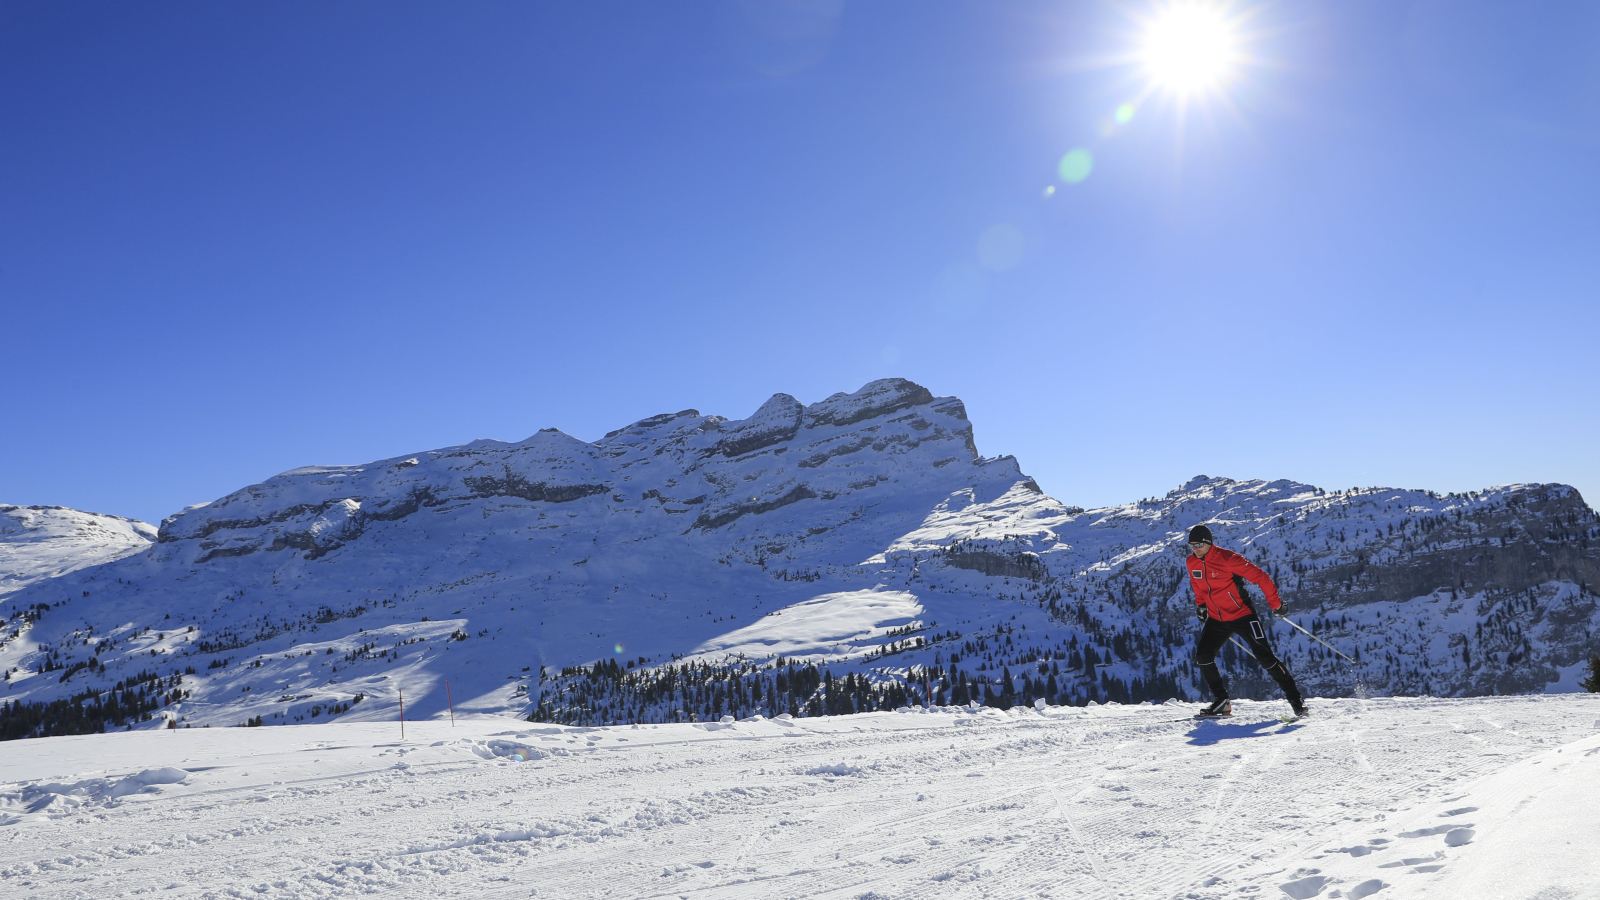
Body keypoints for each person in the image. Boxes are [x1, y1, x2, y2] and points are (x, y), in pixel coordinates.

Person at [1185, 524, 1307, 718]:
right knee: (1203, 656)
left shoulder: (1228, 559)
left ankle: (1296, 700)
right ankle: (1222, 702)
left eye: (1199, 544)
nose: (1195, 549)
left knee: (1265, 657)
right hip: (1217, 618)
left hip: (1242, 615)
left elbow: (1261, 577)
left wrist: (1275, 604)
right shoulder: (1192, 562)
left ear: (1209, 543)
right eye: (1191, 545)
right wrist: (1201, 605)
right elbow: (1198, 585)